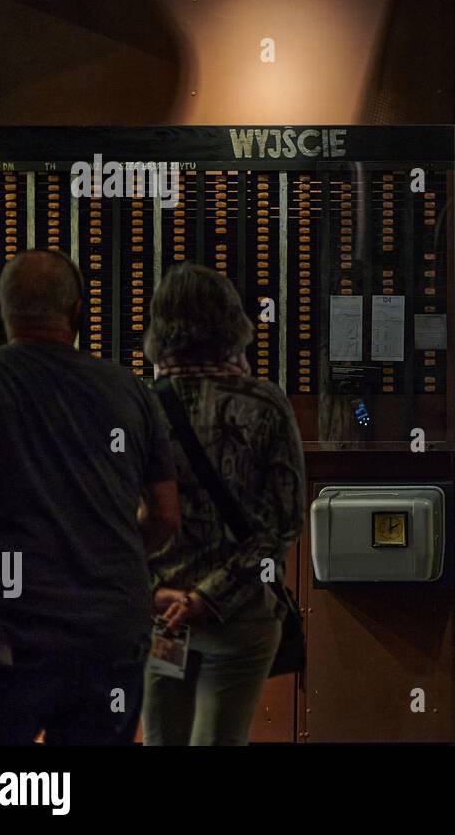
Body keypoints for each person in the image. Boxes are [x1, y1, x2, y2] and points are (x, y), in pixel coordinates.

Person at [0, 249, 180, 745]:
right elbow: (166, 516)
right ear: (78, 311)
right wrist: (111, 557)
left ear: (0, 311)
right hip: (110, 635)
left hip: (6, 632)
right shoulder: (132, 390)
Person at [140, 263, 305, 746]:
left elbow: (110, 515)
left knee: (161, 740)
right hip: (242, 619)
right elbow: (284, 522)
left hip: (160, 620)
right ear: (233, 324)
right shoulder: (266, 404)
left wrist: (156, 592)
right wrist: (208, 598)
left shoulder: (139, 406)